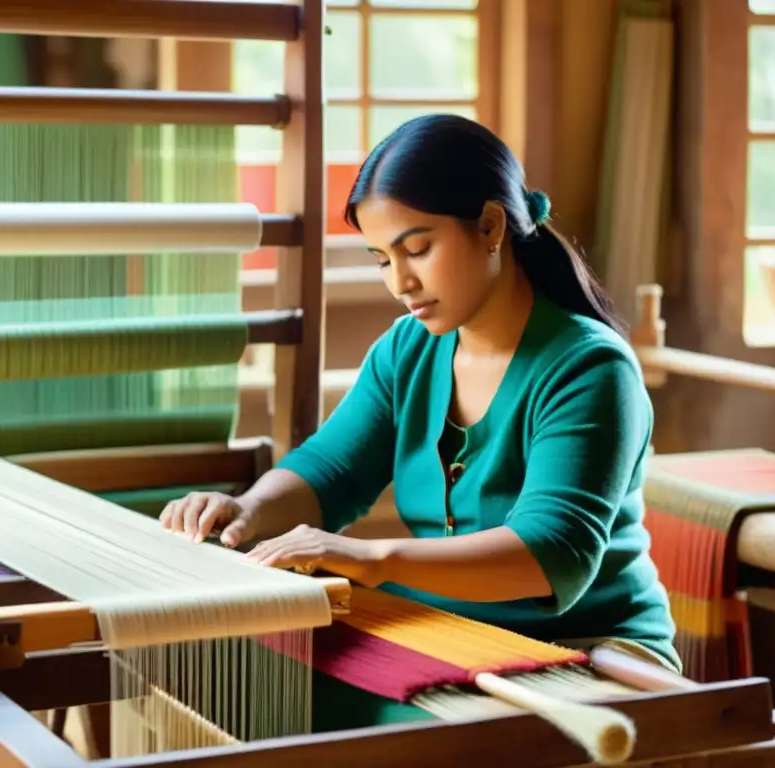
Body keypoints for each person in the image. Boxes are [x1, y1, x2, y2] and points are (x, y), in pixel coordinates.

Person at [159, 113, 680, 728]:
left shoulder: (590, 369)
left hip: (587, 652)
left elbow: (551, 551)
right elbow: (329, 471)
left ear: (490, 226)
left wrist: (372, 558)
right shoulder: (409, 349)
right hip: (445, 632)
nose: (400, 282)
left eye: (417, 248)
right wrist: (246, 510)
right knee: (242, 682)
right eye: (382, 259)